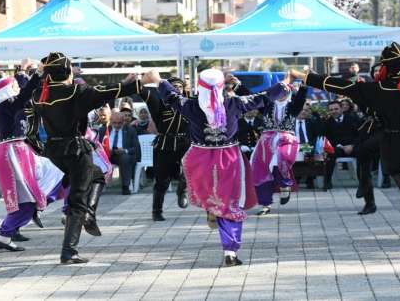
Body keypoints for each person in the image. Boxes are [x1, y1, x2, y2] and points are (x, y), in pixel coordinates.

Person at [290, 42, 400, 258]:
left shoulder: (375, 89)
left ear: (384, 66)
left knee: (393, 167)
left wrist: (305, 76)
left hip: (395, 144)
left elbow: (339, 85)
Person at [147, 68, 291, 267]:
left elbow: (171, 96)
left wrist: (158, 79)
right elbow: (265, 97)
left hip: (200, 158)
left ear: (200, 87)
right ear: (222, 86)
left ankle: (212, 208)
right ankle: (230, 251)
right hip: (229, 158)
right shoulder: (235, 104)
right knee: (231, 203)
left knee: (211, 194)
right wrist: (287, 81)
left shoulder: (190, 106)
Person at [27, 52, 142, 264]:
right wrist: (140, 83)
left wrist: (40, 151)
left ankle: (88, 214)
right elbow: (109, 90)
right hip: (76, 150)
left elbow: (30, 132)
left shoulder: (38, 94)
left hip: (53, 149)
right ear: (68, 71)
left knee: (98, 174)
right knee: (78, 198)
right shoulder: (74, 92)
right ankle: (69, 250)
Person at [0, 61, 65, 252]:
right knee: (25, 200)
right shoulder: (6, 105)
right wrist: (37, 74)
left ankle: (34, 210)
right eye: (14, 85)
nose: (17, 87)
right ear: (6, 91)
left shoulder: (1, 107)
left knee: (55, 173)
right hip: (14, 154)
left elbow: (22, 94)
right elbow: (25, 94)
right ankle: (6, 234)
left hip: (16, 152)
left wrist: (22, 73)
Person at [252, 82, 307, 215]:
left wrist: (305, 85)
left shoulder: (293, 107)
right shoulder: (267, 106)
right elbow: (251, 99)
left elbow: (300, 98)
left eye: (284, 92)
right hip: (266, 142)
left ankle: (285, 185)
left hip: (286, 140)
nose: (281, 95)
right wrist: (237, 85)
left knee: (279, 161)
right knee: (260, 170)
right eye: (278, 92)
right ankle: (265, 204)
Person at [140, 77, 190, 221]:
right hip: (164, 144)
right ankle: (157, 211)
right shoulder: (159, 103)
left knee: (190, 171)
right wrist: (139, 83)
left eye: (179, 87)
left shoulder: (189, 103)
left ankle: (183, 189)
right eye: (173, 86)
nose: (177, 89)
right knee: (162, 180)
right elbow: (145, 95)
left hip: (186, 143)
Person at [322, 100, 359, 191]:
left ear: (342, 109)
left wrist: (352, 145)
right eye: (331, 110)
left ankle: (363, 181)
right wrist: (341, 146)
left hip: (353, 147)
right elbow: (328, 139)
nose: (334, 111)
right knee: (329, 154)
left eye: (336, 109)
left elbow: (359, 134)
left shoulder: (353, 119)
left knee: (363, 152)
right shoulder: (327, 123)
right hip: (338, 148)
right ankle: (327, 181)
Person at [105, 111, 141, 195]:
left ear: (123, 121)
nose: (117, 125)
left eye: (119, 123)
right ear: (110, 121)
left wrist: (125, 150)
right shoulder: (104, 130)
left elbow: (136, 148)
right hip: (107, 155)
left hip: (122, 155)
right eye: (115, 123)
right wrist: (105, 150)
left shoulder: (130, 130)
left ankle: (125, 186)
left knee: (125, 158)